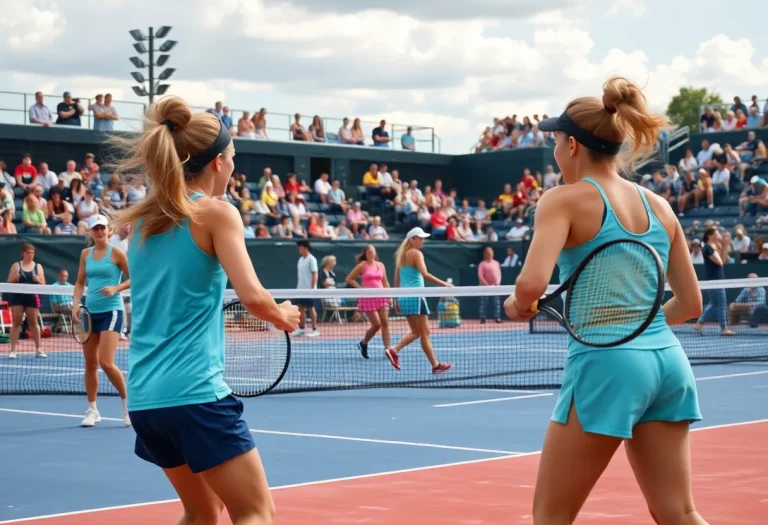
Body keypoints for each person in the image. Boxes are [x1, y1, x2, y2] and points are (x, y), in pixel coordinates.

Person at [502, 77, 709, 524]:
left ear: (572, 147)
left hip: (606, 363)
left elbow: (531, 286)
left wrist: (517, 305)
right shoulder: (659, 205)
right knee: (680, 513)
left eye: (556, 140)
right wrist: (641, 329)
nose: (555, 149)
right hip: (668, 364)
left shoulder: (561, 200)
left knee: (550, 517)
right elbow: (690, 303)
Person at [109, 96, 299, 525]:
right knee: (255, 512)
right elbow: (252, 297)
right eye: (232, 157)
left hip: (145, 401)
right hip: (194, 396)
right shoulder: (216, 214)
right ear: (216, 164)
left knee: (200, 513)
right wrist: (283, 316)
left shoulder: (141, 224)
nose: (234, 166)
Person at [71, 214, 132, 427]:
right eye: (95, 228)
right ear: (91, 232)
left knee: (106, 363)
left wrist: (116, 288)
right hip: (89, 313)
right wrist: (76, 304)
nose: (99, 231)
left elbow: (134, 278)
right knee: (90, 363)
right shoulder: (85, 254)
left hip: (112, 312)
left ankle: (127, 406)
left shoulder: (116, 253)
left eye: (102, 228)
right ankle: (93, 410)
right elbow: (79, 282)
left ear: (109, 231)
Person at [385, 227, 452, 373]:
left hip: (405, 298)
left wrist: (397, 299)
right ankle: (394, 350)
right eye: (420, 238)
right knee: (422, 333)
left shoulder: (401, 256)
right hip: (416, 297)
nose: (423, 240)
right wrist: (445, 284)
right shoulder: (416, 253)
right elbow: (425, 274)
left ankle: (435, 365)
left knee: (419, 332)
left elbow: (396, 280)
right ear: (412, 239)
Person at [345, 244, 392, 358]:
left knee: (385, 322)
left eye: (373, 252)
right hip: (367, 298)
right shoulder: (362, 266)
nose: (372, 254)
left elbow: (385, 282)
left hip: (381, 296)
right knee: (376, 325)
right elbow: (349, 278)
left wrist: (390, 295)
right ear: (365, 254)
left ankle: (388, 350)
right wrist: (360, 289)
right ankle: (364, 343)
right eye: (369, 252)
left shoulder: (381, 265)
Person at [5, 243, 47, 359]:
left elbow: (44, 284)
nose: (30, 255)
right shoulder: (16, 266)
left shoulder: (38, 267)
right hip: (18, 297)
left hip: (32, 297)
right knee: (16, 323)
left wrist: (38, 280)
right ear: (22, 253)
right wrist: (15, 278)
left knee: (33, 323)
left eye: (32, 253)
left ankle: (38, 349)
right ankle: (13, 350)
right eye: (28, 252)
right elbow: (8, 282)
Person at [693, 226, 735, 336]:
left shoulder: (715, 247)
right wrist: (723, 245)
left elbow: (723, 260)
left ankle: (699, 323)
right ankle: (724, 328)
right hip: (714, 281)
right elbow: (719, 262)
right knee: (721, 304)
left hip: (718, 280)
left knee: (714, 304)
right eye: (717, 233)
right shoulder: (708, 248)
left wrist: (724, 246)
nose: (719, 234)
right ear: (710, 235)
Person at [294, 240, 320, 337]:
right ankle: (301, 329)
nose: (299, 250)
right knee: (300, 309)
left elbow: (315, 273)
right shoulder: (300, 260)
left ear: (305, 248)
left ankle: (314, 329)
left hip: (309, 290)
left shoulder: (312, 259)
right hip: (300, 289)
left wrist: (312, 288)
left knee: (310, 309)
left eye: (300, 248)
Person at [477, 246, 502, 323]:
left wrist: (497, 282)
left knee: (496, 303)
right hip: (485, 287)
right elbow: (480, 276)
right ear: (485, 254)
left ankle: (497, 318)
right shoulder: (482, 264)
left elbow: (499, 274)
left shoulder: (496, 263)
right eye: (488, 253)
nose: (490, 254)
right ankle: (483, 318)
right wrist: (486, 284)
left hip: (495, 287)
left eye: (491, 253)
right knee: (484, 303)